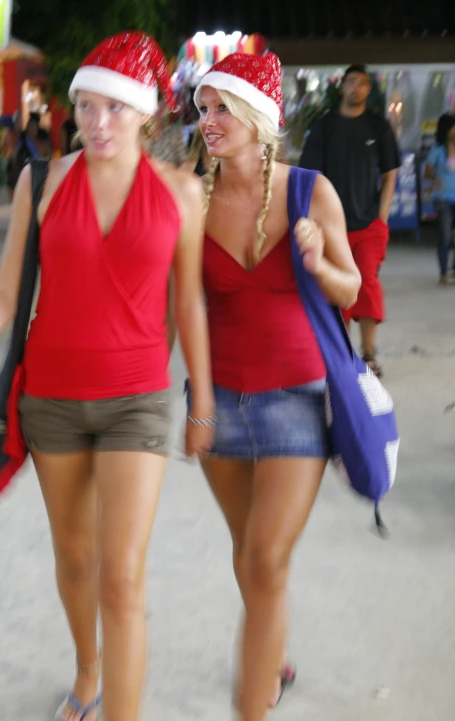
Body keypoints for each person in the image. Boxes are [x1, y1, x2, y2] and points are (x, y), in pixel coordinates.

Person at [0, 31, 214, 721]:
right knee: (76, 557)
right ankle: (87, 671)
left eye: (115, 108)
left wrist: (201, 401)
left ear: (146, 113)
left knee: (121, 579)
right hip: (52, 399)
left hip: (138, 402)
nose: (97, 122)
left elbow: (189, 303)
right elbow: (6, 294)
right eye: (86, 107)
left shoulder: (181, 193)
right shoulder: (43, 180)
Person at [190, 53, 361, 721]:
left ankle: (252, 701)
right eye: (203, 109)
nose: (208, 121)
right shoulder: (191, 198)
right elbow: (182, 305)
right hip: (220, 404)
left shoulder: (309, 190)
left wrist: (320, 262)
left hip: (296, 396)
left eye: (222, 108)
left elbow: (351, 289)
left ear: (258, 118)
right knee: (250, 554)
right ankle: (276, 652)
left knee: (264, 557)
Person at [299, 64, 400, 378]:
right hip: (331, 226)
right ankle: (341, 353)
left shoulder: (377, 126)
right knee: (334, 288)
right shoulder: (324, 127)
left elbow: (390, 172)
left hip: (368, 224)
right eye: (351, 82)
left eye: (363, 83)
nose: (357, 88)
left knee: (367, 284)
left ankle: (368, 353)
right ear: (342, 86)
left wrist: (382, 217)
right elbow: (309, 177)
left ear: (369, 89)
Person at [424, 113, 455, 284]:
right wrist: (434, 178)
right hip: (443, 199)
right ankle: (443, 273)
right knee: (444, 235)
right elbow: (427, 172)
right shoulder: (437, 151)